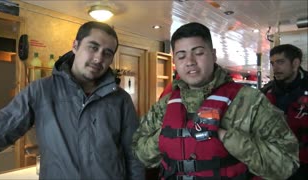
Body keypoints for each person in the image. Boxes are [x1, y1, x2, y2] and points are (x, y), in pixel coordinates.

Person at [132, 22, 299, 180]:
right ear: (174, 61)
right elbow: (139, 152)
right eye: (181, 56)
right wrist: (166, 137)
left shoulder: (249, 101)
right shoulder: (165, 105)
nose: (190, 62)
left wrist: (226, 137)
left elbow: (287, 163)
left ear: (213, 55)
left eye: (198, 53)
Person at [0, 21, 145, 180]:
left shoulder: (121, 100)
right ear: (75, 46)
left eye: (107, 53)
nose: (99, 58)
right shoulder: (41, 91)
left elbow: (134, 156)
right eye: (93, 47)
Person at [261, 44, 308, 180]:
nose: (275, 68)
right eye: (272, 63)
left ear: (295, 63)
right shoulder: (267, 92)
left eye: (280, 62)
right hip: (275, 163)